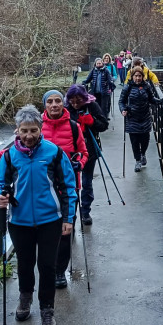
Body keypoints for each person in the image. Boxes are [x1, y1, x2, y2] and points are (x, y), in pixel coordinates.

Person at [0, 90, 87, 290]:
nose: (54, 104)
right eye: (50, 101)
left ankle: (59, 271)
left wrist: (80, 162)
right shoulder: (32, 124)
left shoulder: (73, 127)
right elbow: (18, 151)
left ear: (63, 103)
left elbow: (83, 152)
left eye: (58, 101)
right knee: (35, 253)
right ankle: (32, 291)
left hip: (66, 185)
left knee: (64, 233)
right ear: (45, 105)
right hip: (37, 194)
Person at [0, 105, 76, 325]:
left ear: (41, 130)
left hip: (50, 220)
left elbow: (68, 186)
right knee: (25, 264)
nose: (28, 136)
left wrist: (68, 218)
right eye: (24, 131)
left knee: (47, 266)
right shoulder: (9, 157)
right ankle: (25, 298)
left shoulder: (54, 153)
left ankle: (47, 309)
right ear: (16, 131)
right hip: (19, 221)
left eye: (33, 131)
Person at [65, 84, 109, 226]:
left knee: (87, 182)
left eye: (79, 101)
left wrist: (92, 122)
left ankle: (85, 212)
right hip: (71, 152)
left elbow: (103, 125)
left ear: (84, 98)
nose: (76, 104)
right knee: (71, 184)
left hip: (89, 151)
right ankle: (71, 213)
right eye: (72, 101)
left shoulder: (92, 106)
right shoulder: (65, 109)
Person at [119, 66, 162, 172]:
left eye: (139, 76)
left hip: (145, 117)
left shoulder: (146, 86)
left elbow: (151, 98)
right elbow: (121, 101)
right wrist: (123, 109)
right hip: (132, 117)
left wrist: (158, 101)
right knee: (134, 141)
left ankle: (143, 154)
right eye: (136, 76)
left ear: (142, 77)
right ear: (132, 76)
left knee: (145, 140)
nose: (138, 78)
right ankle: (137, 161)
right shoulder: (127, 87)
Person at [83, 58, 115, 123]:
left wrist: (111, 87)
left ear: (102, 63)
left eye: (100, 63)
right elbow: (88, 79)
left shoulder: (106, 70)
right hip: (95, 92)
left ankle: (104, 121)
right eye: (97, 63)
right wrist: (83, 83)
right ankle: (98, 119)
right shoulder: (93, 71)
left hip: (104, 92)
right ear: (95, 64)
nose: (98, 64)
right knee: (97, 106)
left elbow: (110, 79)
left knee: (104, 107)